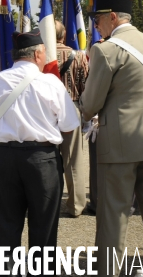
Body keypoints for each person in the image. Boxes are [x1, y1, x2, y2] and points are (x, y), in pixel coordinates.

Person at [79, 0, 143, 276]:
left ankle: (109, 272)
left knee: (113, 216)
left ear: (113, 18)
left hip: (119, 143)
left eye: (97, 20)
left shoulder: (106, 50)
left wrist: (81, 110)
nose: (96, 27)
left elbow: (91, 103)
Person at [0, 28, 79, 273]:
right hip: (41, 157)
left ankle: (8, 270)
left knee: (6, 222)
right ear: (39, 54)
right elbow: (69, 125)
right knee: (44, 223)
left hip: (2, 157)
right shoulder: (50, 82)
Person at [55, 20, 89, 217]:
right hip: (72, 107)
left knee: (47, 159)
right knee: (73, 158)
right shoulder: (79, 56)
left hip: (46, 111)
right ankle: (76, 204)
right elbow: (86, 83)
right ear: (65, 34)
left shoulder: (43, 57)